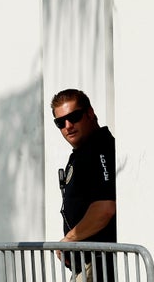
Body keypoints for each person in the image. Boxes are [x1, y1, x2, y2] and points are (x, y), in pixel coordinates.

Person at [52, 89, 116, 282]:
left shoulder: (100, 148)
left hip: (98, 265)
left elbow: (105, 208)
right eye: (60, 122)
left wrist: (68, 241)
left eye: (74, 117)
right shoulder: (83, 153)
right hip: (86, 266)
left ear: (90, 113)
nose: (68, 126)